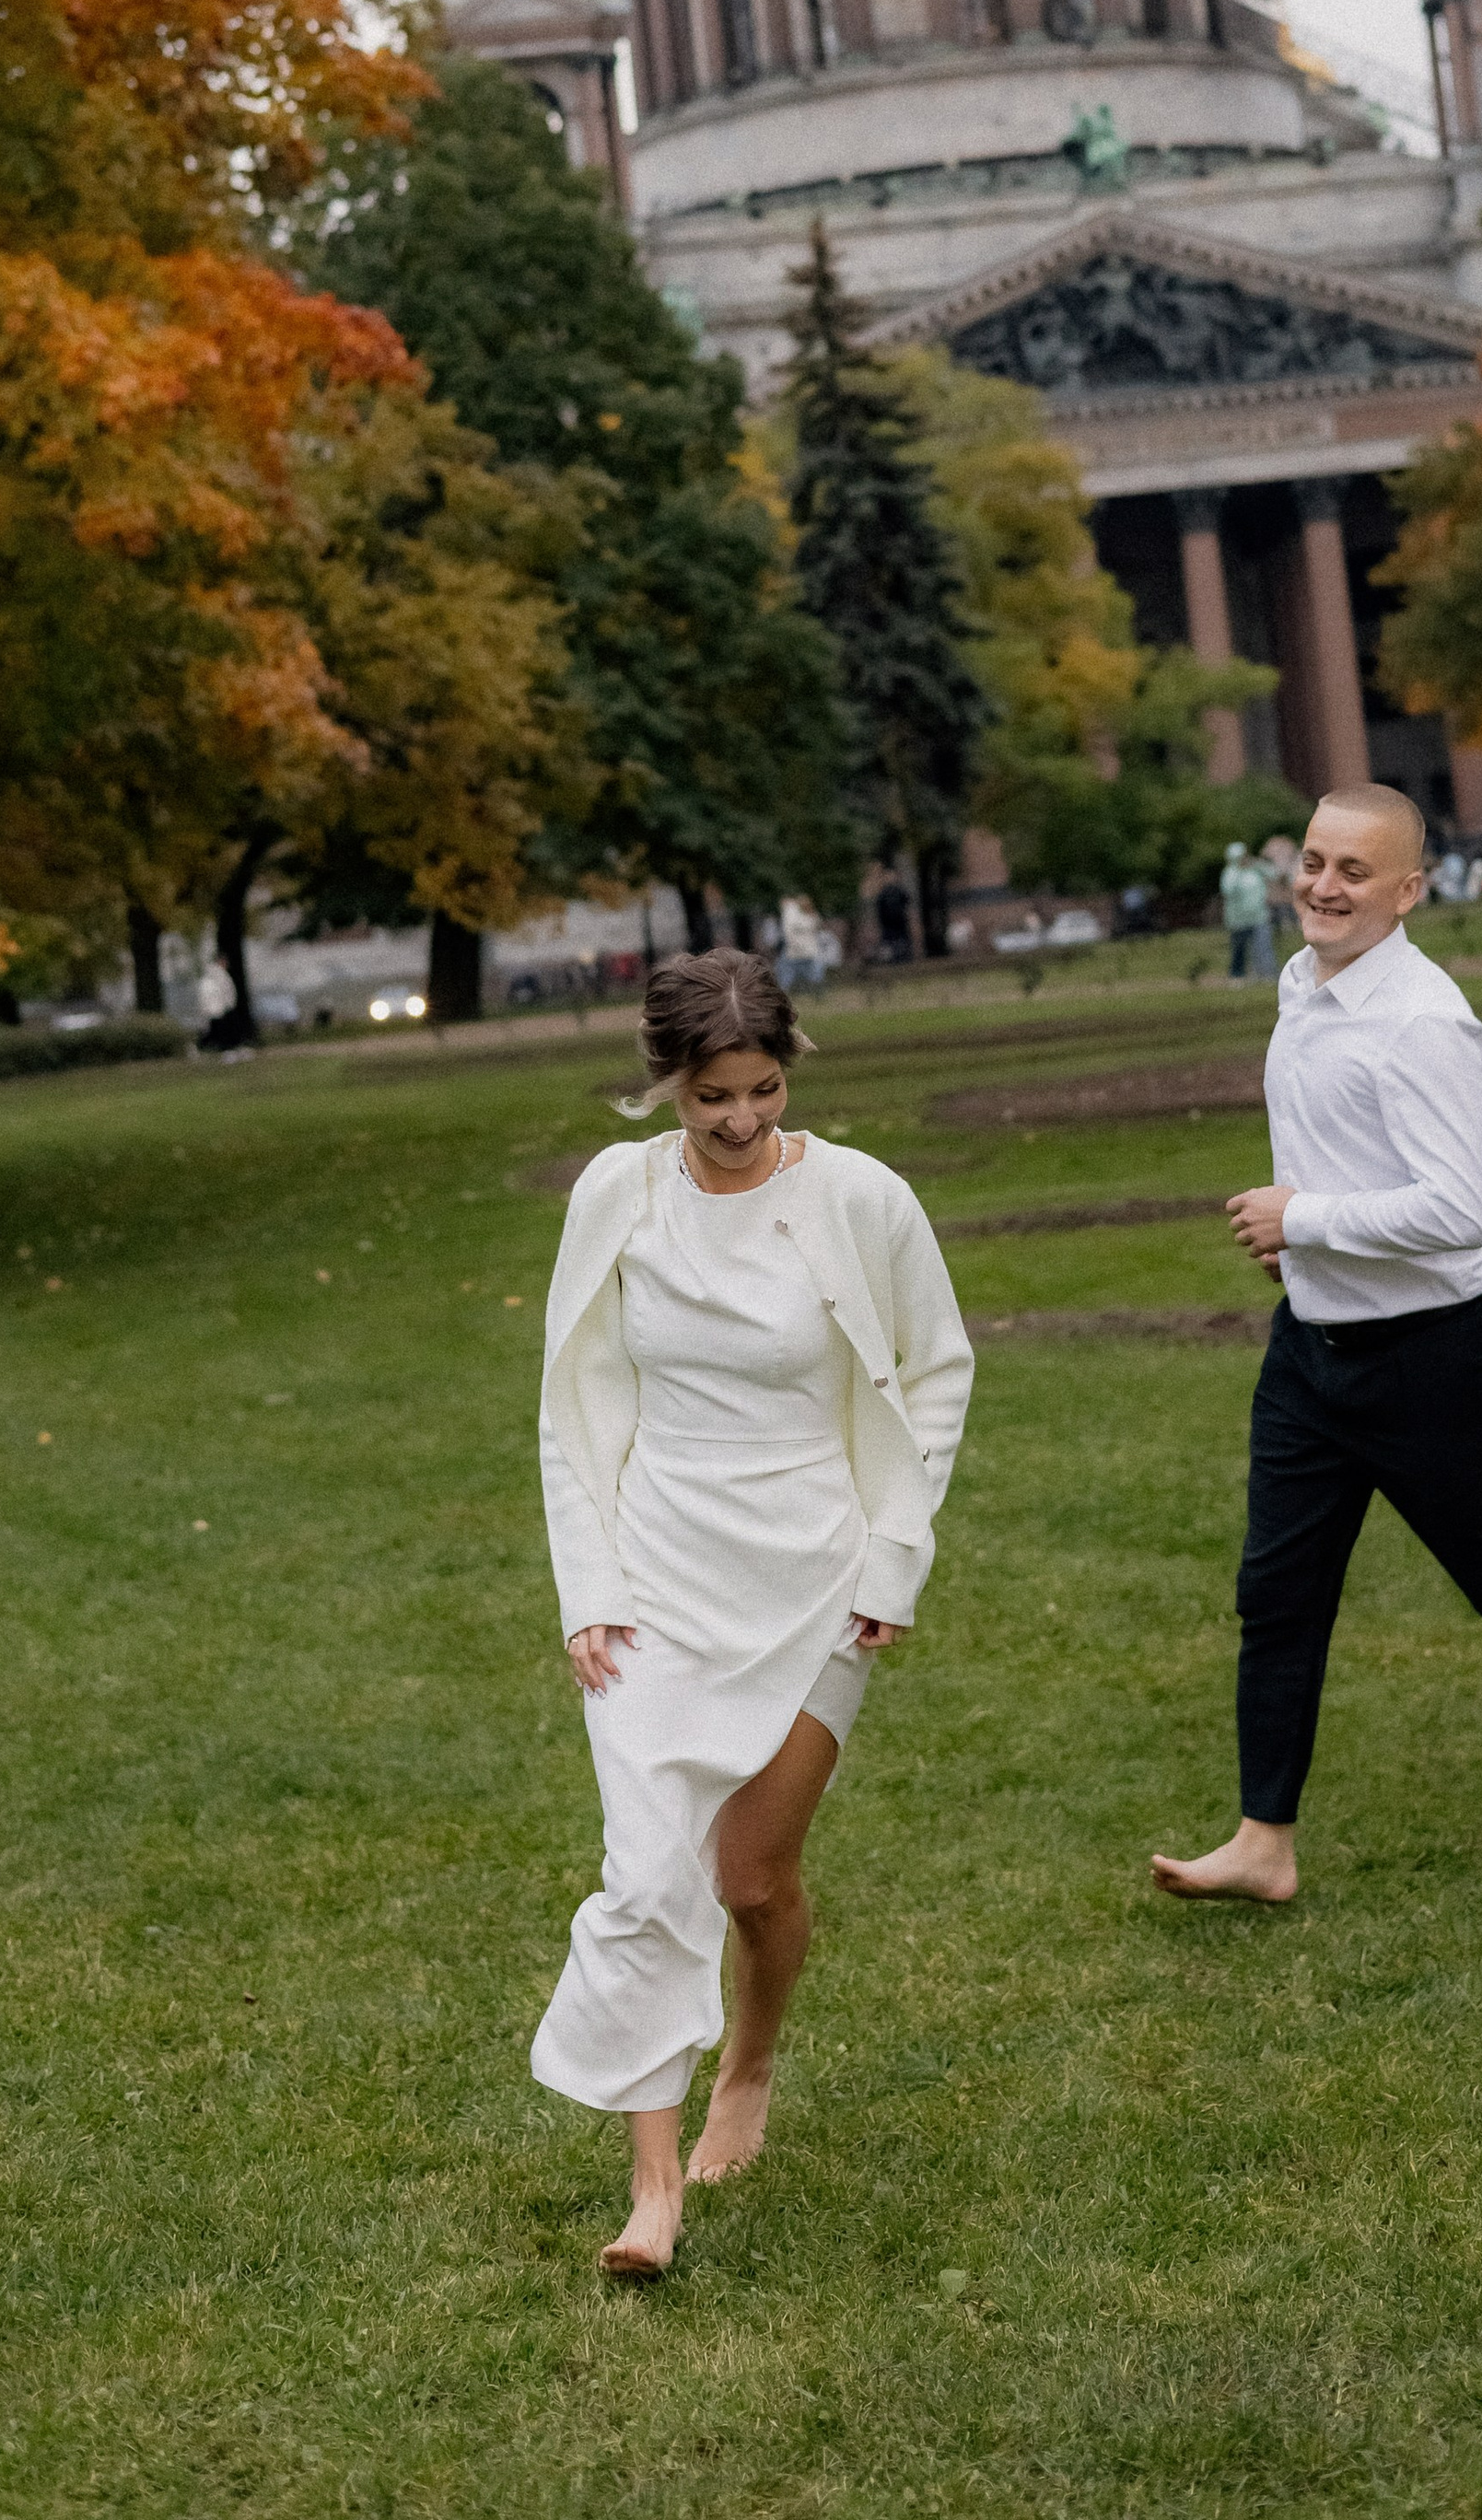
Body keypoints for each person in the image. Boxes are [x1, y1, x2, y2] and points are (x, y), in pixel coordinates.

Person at [1152, 783, 1482, 1907]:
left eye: (1355, 871)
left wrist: (1300, 1219)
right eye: (1311, 861)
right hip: (1313, 1349)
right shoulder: (1302, 985)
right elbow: (1344, 1159)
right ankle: (1264, 1841)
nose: (1323, 886)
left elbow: (1458, 1210)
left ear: (1409, 891)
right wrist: (1304, 1255)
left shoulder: (1426, 1020)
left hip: (1436, 1356)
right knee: (1278, 1588)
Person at [533, 947, 974, 2276]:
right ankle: (652, 2194)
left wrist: (895, 1564)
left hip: (815, 1578)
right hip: (656, 1576)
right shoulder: (616, 1194)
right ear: (666, 1083)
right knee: (645, 1873)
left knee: (749, 1878)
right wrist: (589, 1590)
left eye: (762, 1091)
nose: (737, 1121)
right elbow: (572, 1407)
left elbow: (936, 1374)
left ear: (791, 1073)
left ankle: (753, 2062)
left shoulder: (862, 1199)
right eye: (710, 1095)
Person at [1218, 840, 1273, 984]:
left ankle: (1265, 974)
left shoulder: (1255, 870)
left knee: (1263, 947)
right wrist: (1239, 871)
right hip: (1238, 919)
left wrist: (1257, 863)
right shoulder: (1230, 873)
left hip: (1259, 916)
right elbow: (1228, 890)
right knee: (1239, 949)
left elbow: (1274, 873)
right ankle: (1237, 975)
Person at [776, 892, 827, 991]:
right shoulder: (797, 914)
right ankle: (815, 990)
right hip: (801, 950)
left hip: (802, 950)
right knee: (789, 972)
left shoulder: (792, 912)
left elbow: (790, 931)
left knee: (789, 973)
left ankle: (816, 990)